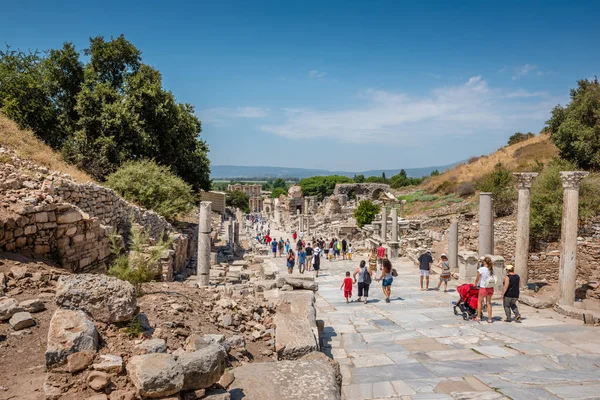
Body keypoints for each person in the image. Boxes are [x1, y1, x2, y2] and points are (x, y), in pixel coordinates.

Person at [475, 256, 495, 323]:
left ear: (484, 262)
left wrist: (475, 284)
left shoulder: (481, 269)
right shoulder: (491, 269)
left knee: (479, 302)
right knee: (488, 303)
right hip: (490, 288)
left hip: (483, 287)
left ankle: (478, 317)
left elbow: (477, 278)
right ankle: (489, 319)